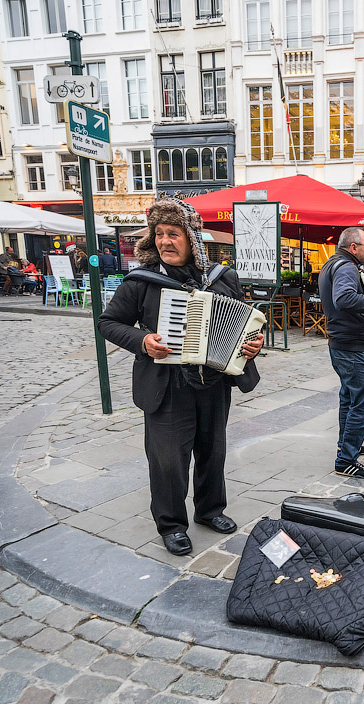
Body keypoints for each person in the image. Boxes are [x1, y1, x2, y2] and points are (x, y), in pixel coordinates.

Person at [99, 199, 263, 556]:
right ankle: (171, 524)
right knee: (168, 460)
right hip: (167, 385)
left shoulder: (223, 278)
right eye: (159, 234)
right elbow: (108, 323)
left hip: (213, 381)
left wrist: (252, 343)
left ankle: (210, 510)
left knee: (212, 451)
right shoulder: (141, 281)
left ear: (192, 239)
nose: (164, 241)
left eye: (173, 233)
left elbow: (244, 323)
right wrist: (142, 341)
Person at [318, 226, 364, 479]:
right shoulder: (347, 267)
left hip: (341, 343)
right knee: (362, 404)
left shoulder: (331, 263)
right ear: (354, 247)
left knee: (348, 398)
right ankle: (346, 459)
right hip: (352, 347)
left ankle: (347, 444)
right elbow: (344, 299)